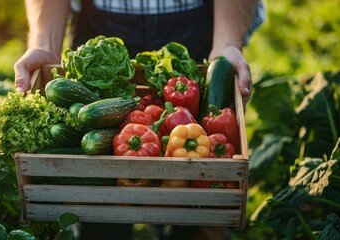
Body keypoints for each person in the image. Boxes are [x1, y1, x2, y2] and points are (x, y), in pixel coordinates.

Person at [14, 1, 264, 239]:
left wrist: (227, 43)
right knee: (97, 221)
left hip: (200, 28)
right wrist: (44, 44)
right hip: (98, 29)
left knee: (200, 217)